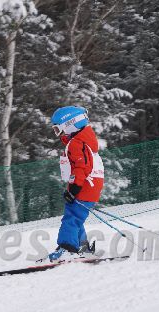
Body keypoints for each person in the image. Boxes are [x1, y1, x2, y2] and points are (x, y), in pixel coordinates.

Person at [47, 106, 104, 262]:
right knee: (75, 216)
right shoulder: (84, 141)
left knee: (71, 219)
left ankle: (68, 248)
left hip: (84, 186)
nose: (58, 133)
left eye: (58, 129)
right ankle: (82, 246)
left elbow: (81, 168)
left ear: (70, 124)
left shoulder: (76, 143)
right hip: (90, 186)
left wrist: (74, 188)